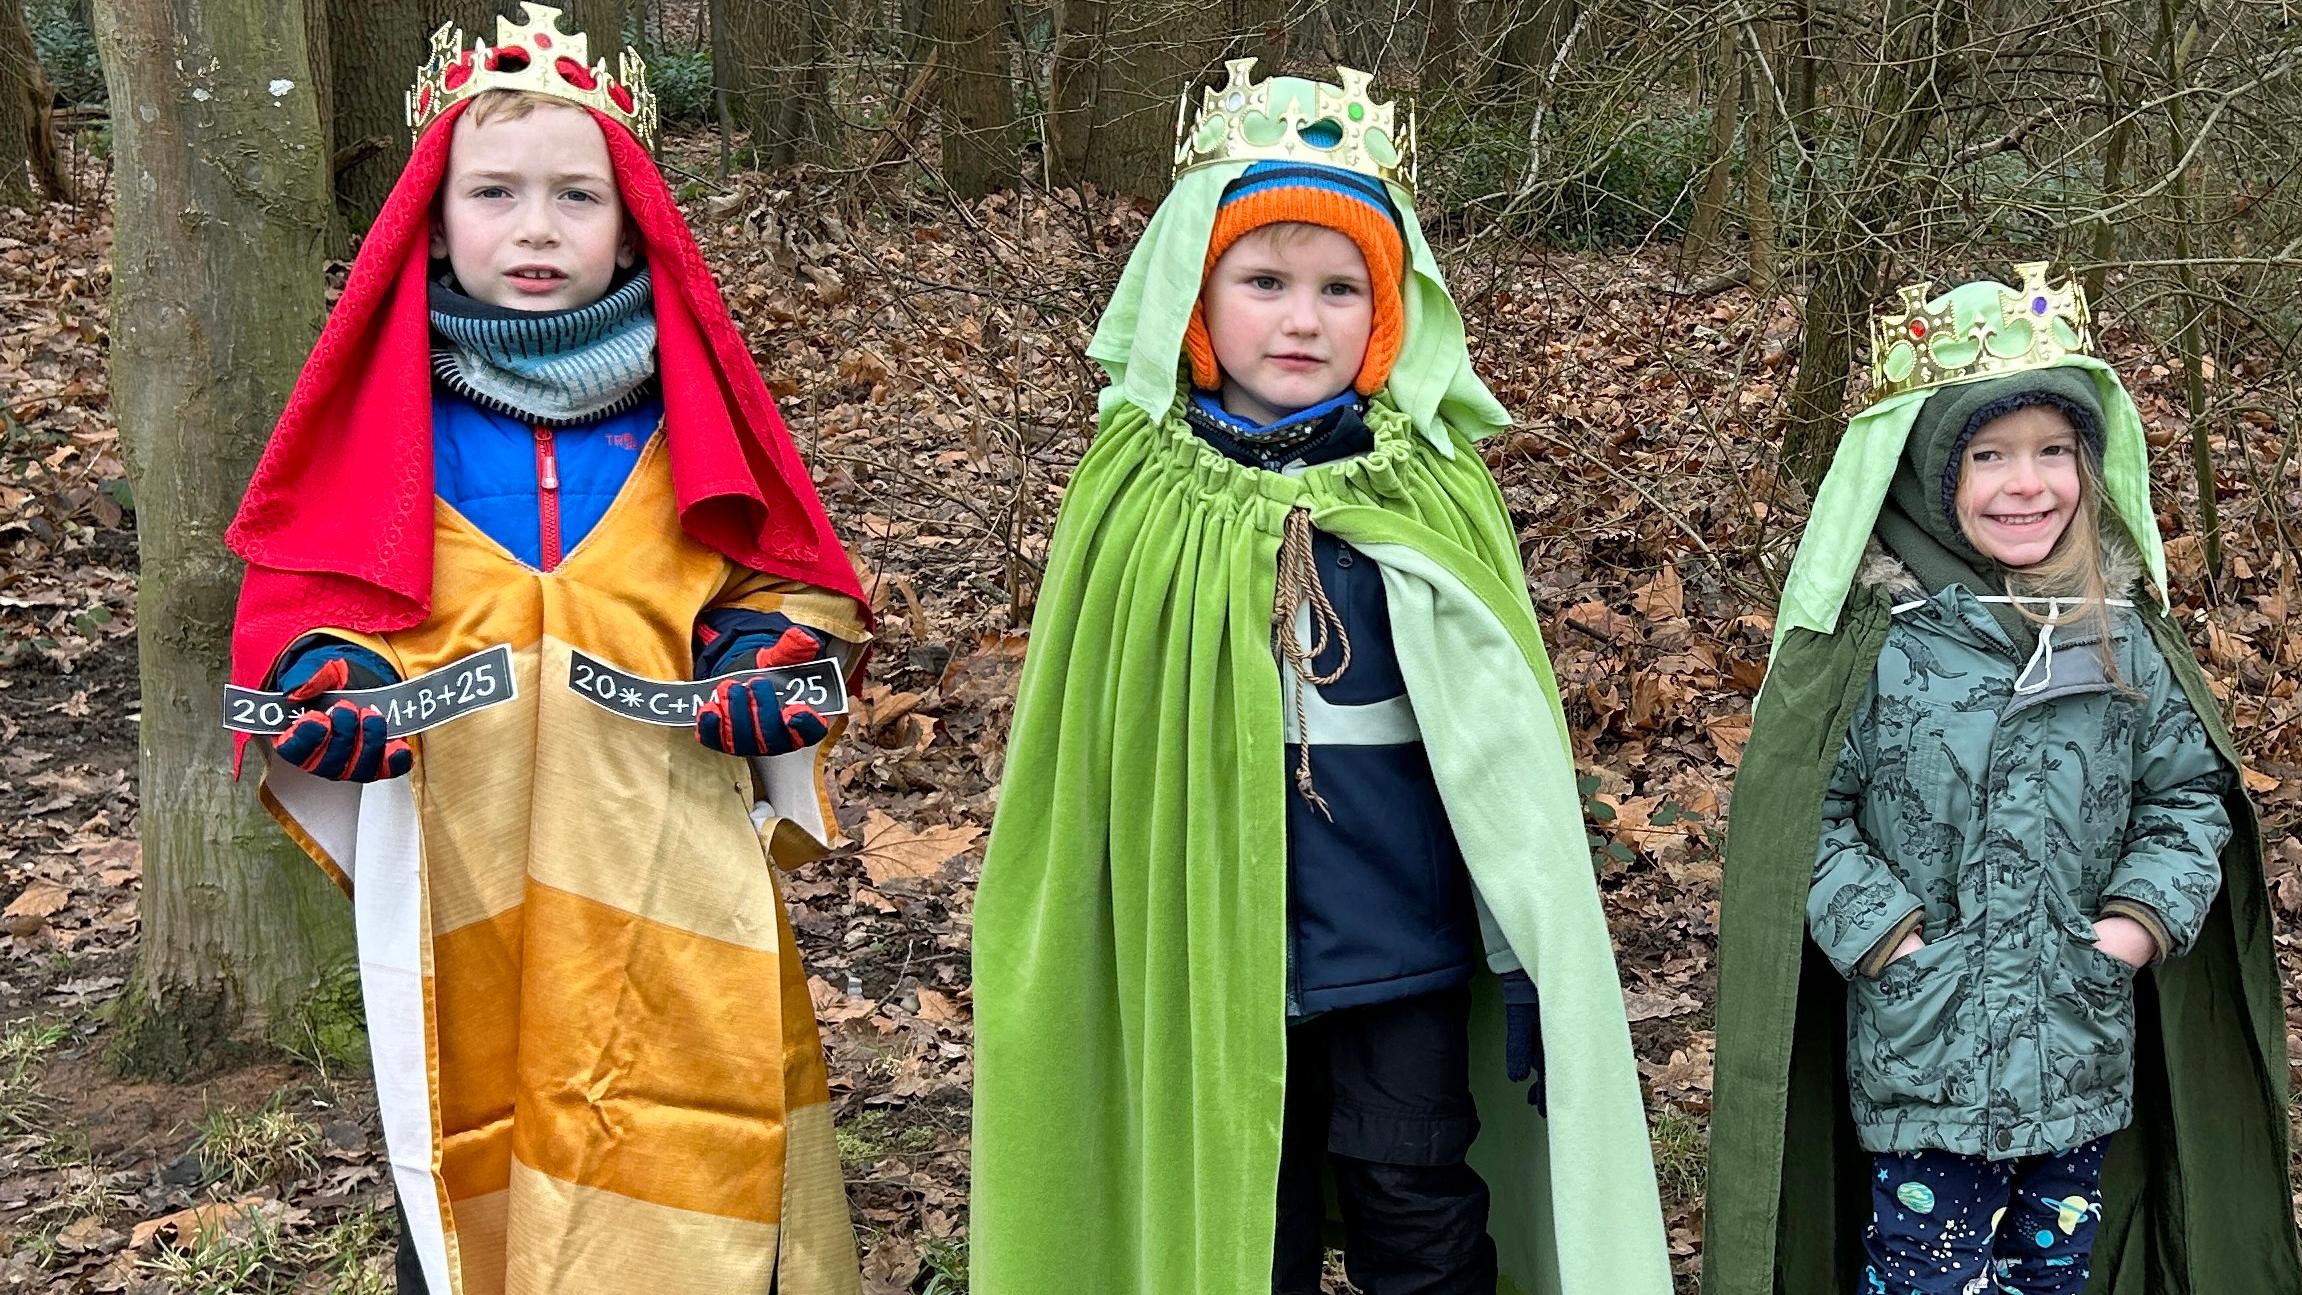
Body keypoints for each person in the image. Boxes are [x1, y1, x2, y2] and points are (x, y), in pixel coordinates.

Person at [969, 59, 1671, 1295]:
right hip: (1193, 937)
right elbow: (1078, 759)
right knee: (1245, 1214)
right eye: (1264, 282)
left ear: (1385, 315)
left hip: (1395, 941)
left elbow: (1499, 758)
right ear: (1197, 298)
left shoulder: (1433, 488)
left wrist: (1527, 957)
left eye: (1341, 288)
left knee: (1420, 1197)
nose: (1302, 319)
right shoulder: (1136, 491)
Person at [224, 7, 868, 1291]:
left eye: (576, 196)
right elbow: (302, 606)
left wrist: (770, 658)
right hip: (459, 871)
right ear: (433, 214)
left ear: (631, 222)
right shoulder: (378, 426)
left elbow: (794, 584)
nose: (534, 228)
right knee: (473, 1170)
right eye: (495, 193)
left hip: (668, 870)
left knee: (698, 1158)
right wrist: (325, 680)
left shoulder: (696, 417)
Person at [1702, 265, 2299, 1293]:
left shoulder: (2123, 636)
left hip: (2078, 1043)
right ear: (1933, 473)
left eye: (2054, 451)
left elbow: (2187, 795)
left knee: (2052, 1270)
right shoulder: (1875, 644)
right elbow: (1803, 814)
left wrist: (2134, 924)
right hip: (1921, 1047)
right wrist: (1889, 936)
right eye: (1988, 454)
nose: (2027, 484)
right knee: (1922, 1271)